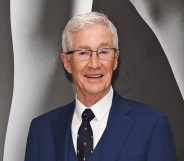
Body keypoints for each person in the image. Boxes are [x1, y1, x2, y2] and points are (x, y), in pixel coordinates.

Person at [24, 12, 176, 161]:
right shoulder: (42, 130)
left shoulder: (151, 126)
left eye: (103, 52)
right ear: (66, 62)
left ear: (115, 60)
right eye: (83, 53)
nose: (94, 64)